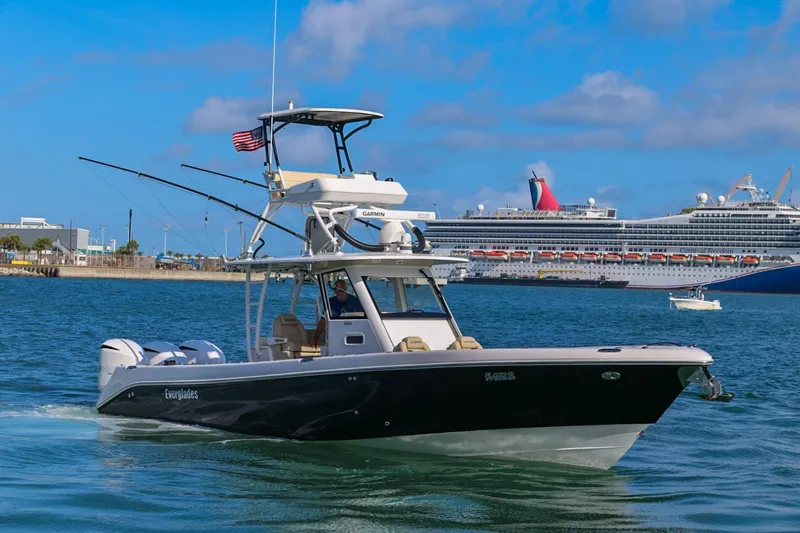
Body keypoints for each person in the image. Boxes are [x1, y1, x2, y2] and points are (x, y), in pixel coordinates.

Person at [310, 279, 364, 348]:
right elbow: (323, 321)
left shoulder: (355, 301)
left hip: (353, 334)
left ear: (346, 289)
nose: (339, 293)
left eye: (341, 290)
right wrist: (315, 339)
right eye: (336, 291)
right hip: (335, 334)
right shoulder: (330, 302)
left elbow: (362, 319)